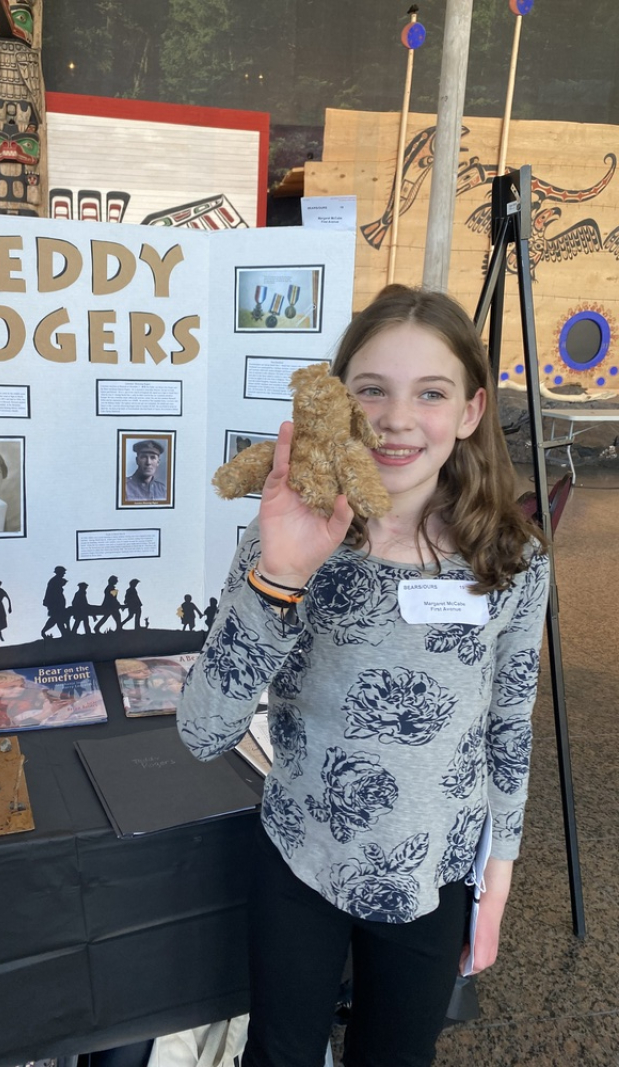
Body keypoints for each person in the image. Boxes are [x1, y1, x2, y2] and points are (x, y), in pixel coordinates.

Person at [176, 285, 551, 1067]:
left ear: (473, 411)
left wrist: (498, 878)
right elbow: (203, 729)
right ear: (339, 402)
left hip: (432, 873)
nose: (398, 418)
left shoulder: (514, 562)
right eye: (372, 390)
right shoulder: (287, 534)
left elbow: (507, 726)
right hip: (300, 855)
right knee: (278, 1055)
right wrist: (278, 576)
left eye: (431, 393)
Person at [41, 566, 70, 638]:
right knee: (56, 618)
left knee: (58, 619)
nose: (64, 574)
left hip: (58, 604)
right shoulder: (54, 581)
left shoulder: (56, 580)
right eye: (63, 572)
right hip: (55, 604)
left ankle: (64, 633)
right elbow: (51, 593)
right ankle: (44, 631)